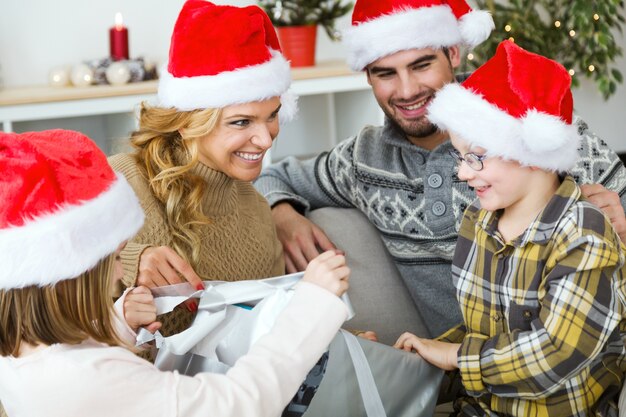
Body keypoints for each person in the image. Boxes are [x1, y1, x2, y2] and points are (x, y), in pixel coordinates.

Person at [254, 0, 626, 338]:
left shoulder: (531, 127)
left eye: (421, 65)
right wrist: (282, 215)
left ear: (453, 52)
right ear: (367, 76)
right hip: (465, 379)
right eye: (385, 73)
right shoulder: (362, 160)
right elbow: (274, 176)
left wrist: (621, 220)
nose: (406, 90)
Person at [0, 129, 351, 417]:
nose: (124, 261)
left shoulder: (18, 355)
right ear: (73, 275)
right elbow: (240, 404)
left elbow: (80, 366)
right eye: (116, 255)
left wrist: (117, 323)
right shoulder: (90, 380)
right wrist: (311, 305)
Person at [394, 40, 626, 416]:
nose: (463, 172)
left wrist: (455, 356)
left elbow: (557, 354)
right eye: (460, 156)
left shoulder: (585, 232)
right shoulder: (478, 222)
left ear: (532, 153)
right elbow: (482, 334)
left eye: (477, 158)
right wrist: (420, 358)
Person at [108, 0, 300, 344]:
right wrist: (129, 260)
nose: (265, 138)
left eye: (272, 115)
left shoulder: (257, 211)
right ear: (186, 123)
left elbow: (269, 336)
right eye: (241, 122)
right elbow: (35, 298)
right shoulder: (119, 182)